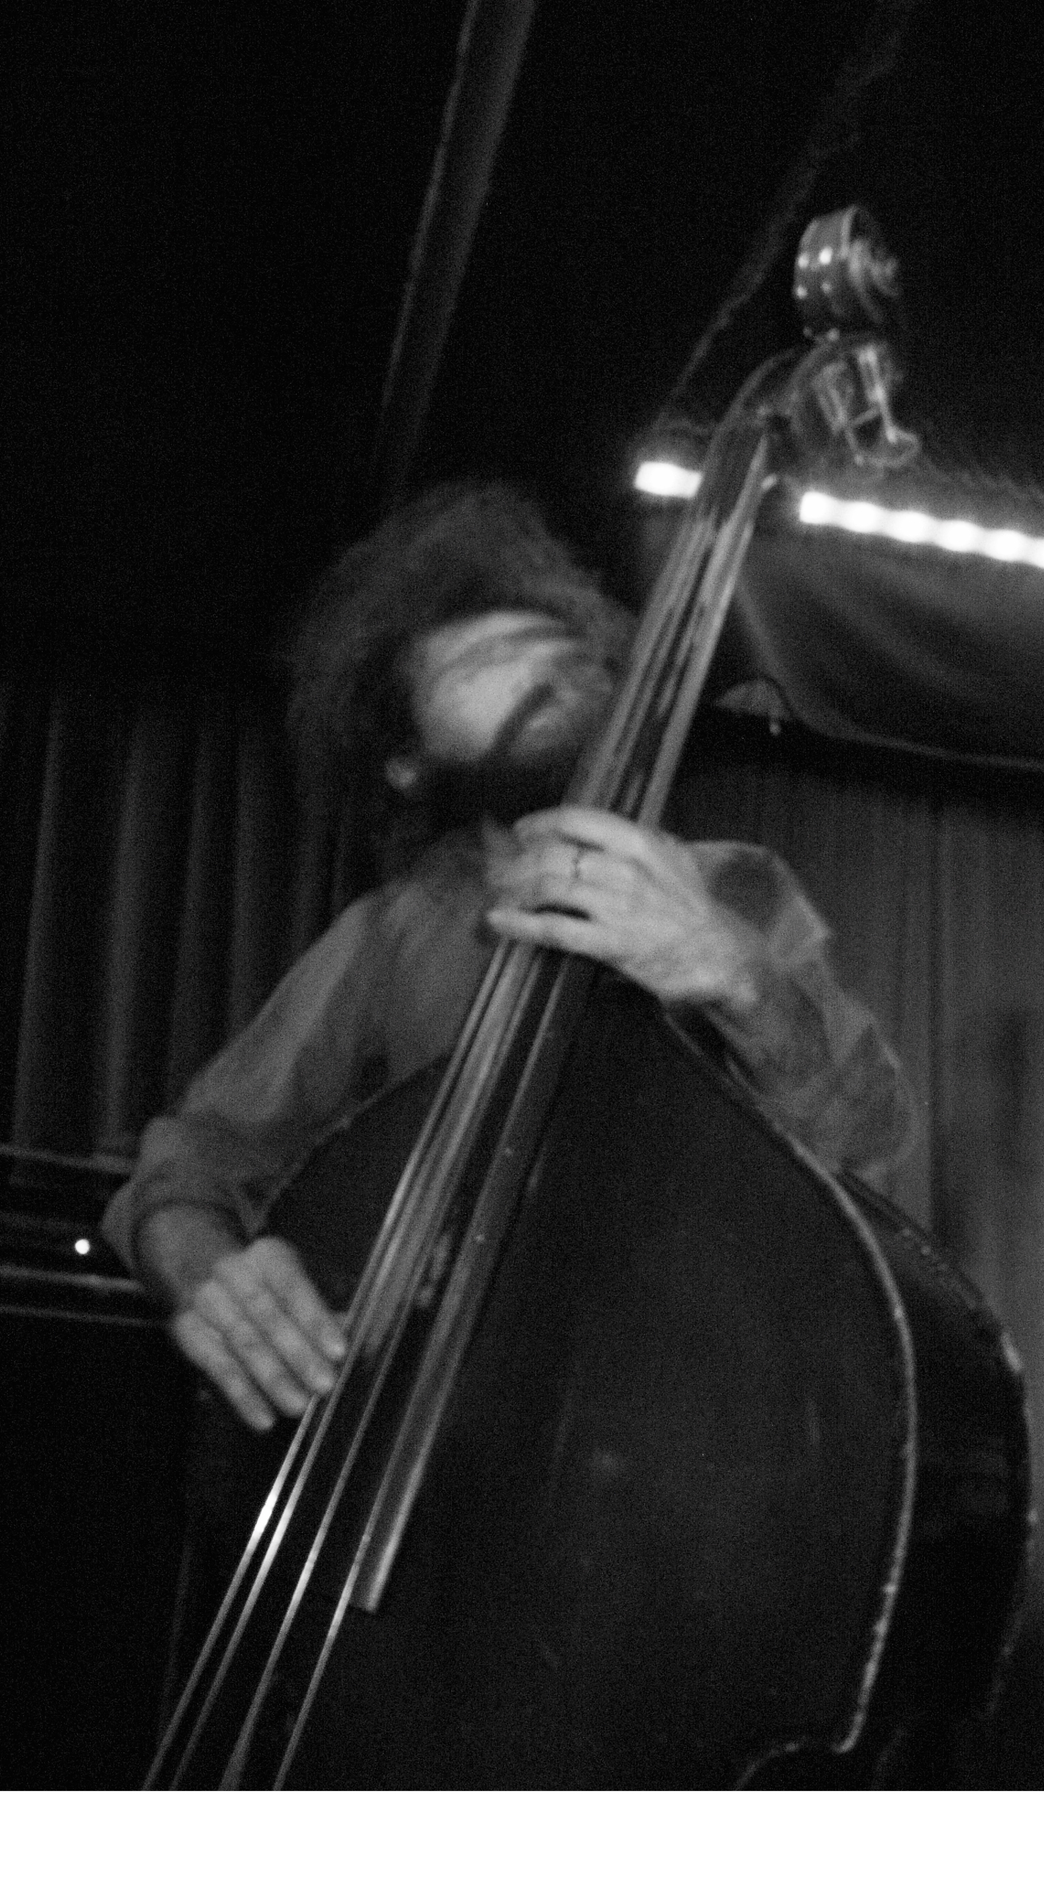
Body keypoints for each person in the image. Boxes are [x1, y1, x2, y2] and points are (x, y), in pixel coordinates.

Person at [100, 481, 915, 1433]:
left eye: (556, 645)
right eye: (485, 659)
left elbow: (867, 1133)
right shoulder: (393, 932)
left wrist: (742, 978)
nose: (544, 667)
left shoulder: (737, 890)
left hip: (681, 1404)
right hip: (427, 1413)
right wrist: (208, 1270)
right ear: (408, 759)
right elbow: (194, 1160)